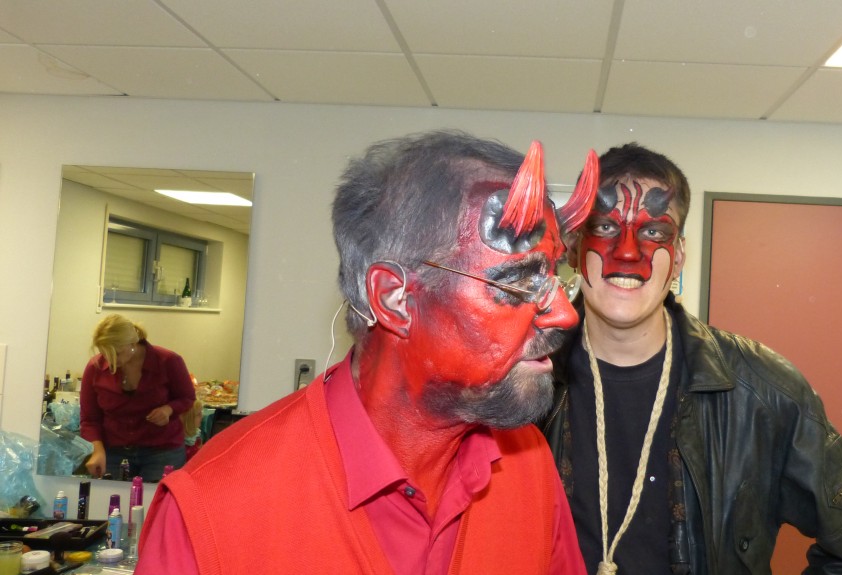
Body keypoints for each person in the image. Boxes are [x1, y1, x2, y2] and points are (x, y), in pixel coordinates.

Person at [137, 130, 602, 574]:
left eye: (555, 279)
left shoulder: (527, 464)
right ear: (394, 299)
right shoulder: (212, 507)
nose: (564, 314)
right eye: (519, 282)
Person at [540, 143, 842, 574]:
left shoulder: (763, 392)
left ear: (679, 257)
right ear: (573, 248)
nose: (627, 253)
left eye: (655, 233)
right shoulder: (518, 385)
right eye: (605, 227)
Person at [79, 314, 196, 483]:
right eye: (105, 353)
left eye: (117, 353)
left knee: (156, 499)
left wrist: (168, 409)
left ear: (133, 344)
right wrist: (97, 450)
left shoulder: (168, 361)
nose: (111, 360)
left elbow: (187, 397)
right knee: (112, 498)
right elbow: (89, 419)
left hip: (162, 449)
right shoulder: (95, 367)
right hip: (114, 451)